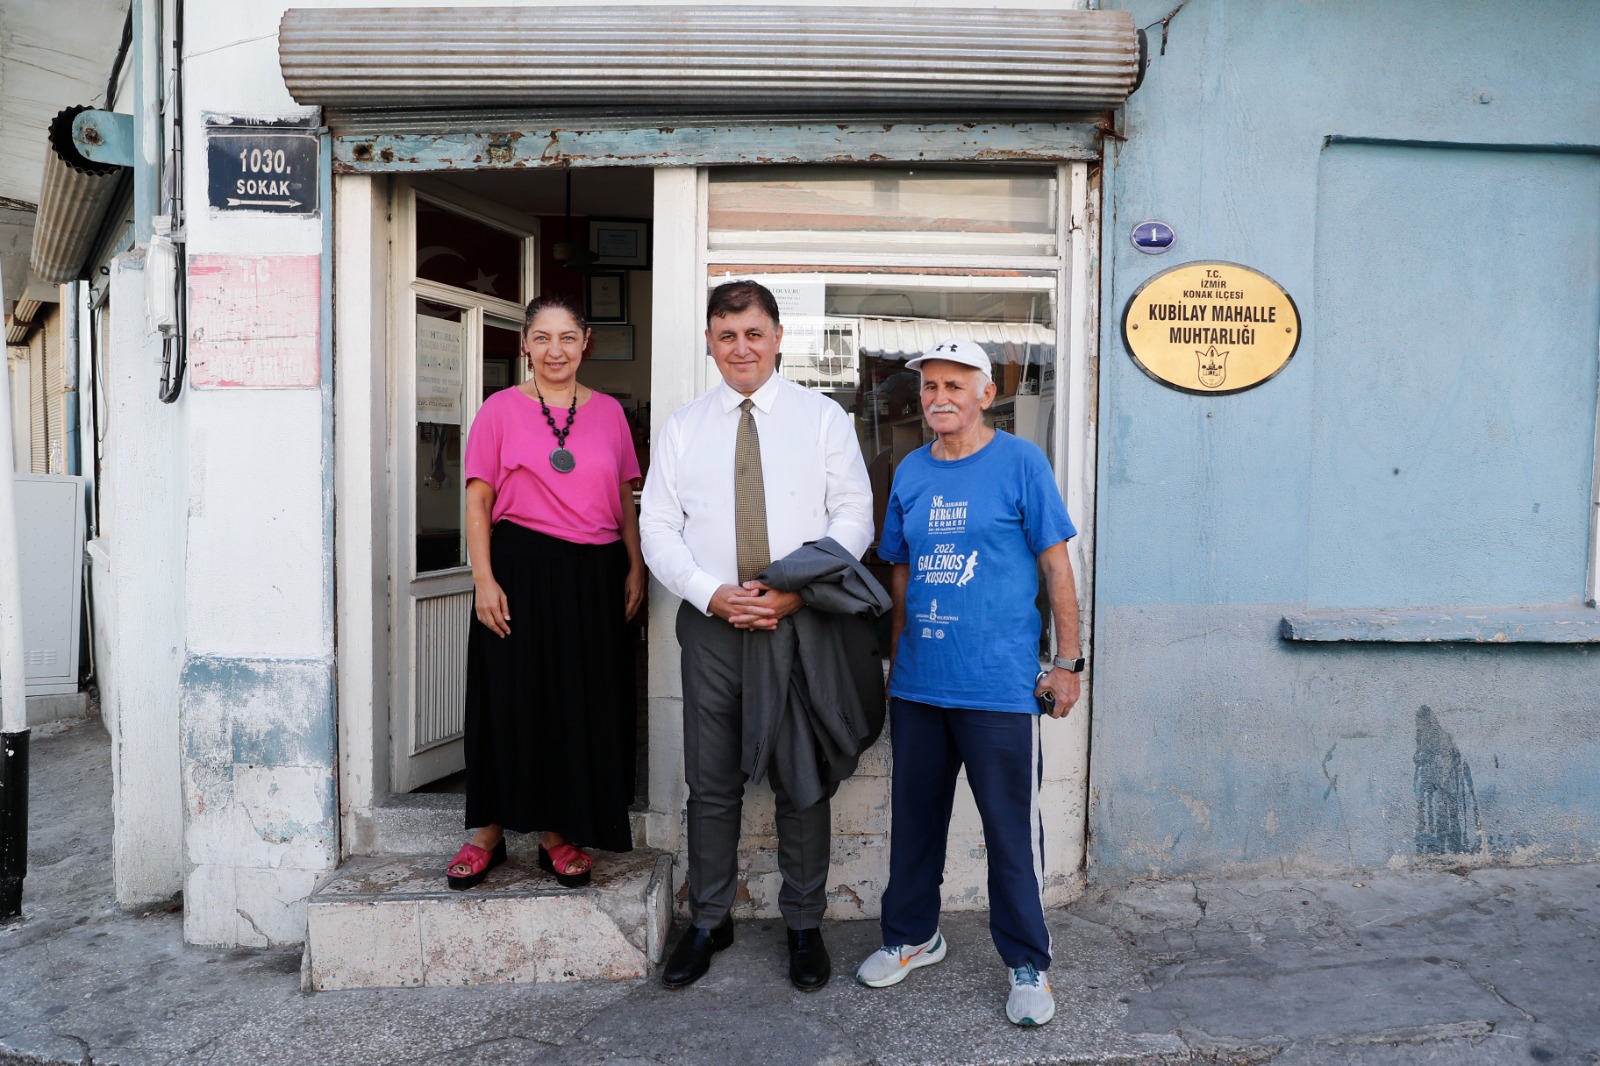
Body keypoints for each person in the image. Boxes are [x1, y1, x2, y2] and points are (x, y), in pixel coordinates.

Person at [640, 279, 875, 991]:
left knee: (802, 780)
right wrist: (711, 593)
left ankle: (804, 922)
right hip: (712, 627)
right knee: (711, 784)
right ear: (710, 342)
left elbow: (854, 516)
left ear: (776, 337)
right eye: (725, 335)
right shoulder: (684, 427)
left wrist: (795, 589)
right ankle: (711, 920)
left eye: (752, 333)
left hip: (798, 623)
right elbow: (657, 525)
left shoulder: (822, 418)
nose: (740, 347)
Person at [853, 338, 1084, 1028]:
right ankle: (913, 936)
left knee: (1010, 831)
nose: (939, 398)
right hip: (922, 685)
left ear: (987, 393)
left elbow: (1056, 567)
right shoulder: (912, 471)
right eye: (929, 387)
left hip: (998, 686)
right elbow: (899, 571)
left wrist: (1068, 664)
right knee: (915, 823)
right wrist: (897, 663)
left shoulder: (1021, 462)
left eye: (956, 385)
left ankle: (1027, 961)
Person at [445, 294, 646, 892]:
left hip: (596, 573)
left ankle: (558, 834)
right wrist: (483, 578)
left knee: (578, 702)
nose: (554, 350)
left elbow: (624, 501)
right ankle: (489, 829)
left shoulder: (609, 412)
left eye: (566, 337)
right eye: (542, 338)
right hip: (520, 568)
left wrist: (634, 568)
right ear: (524, 345)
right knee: (509, 696)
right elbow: (478, 499)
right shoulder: (499, 409)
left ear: (586, 342)